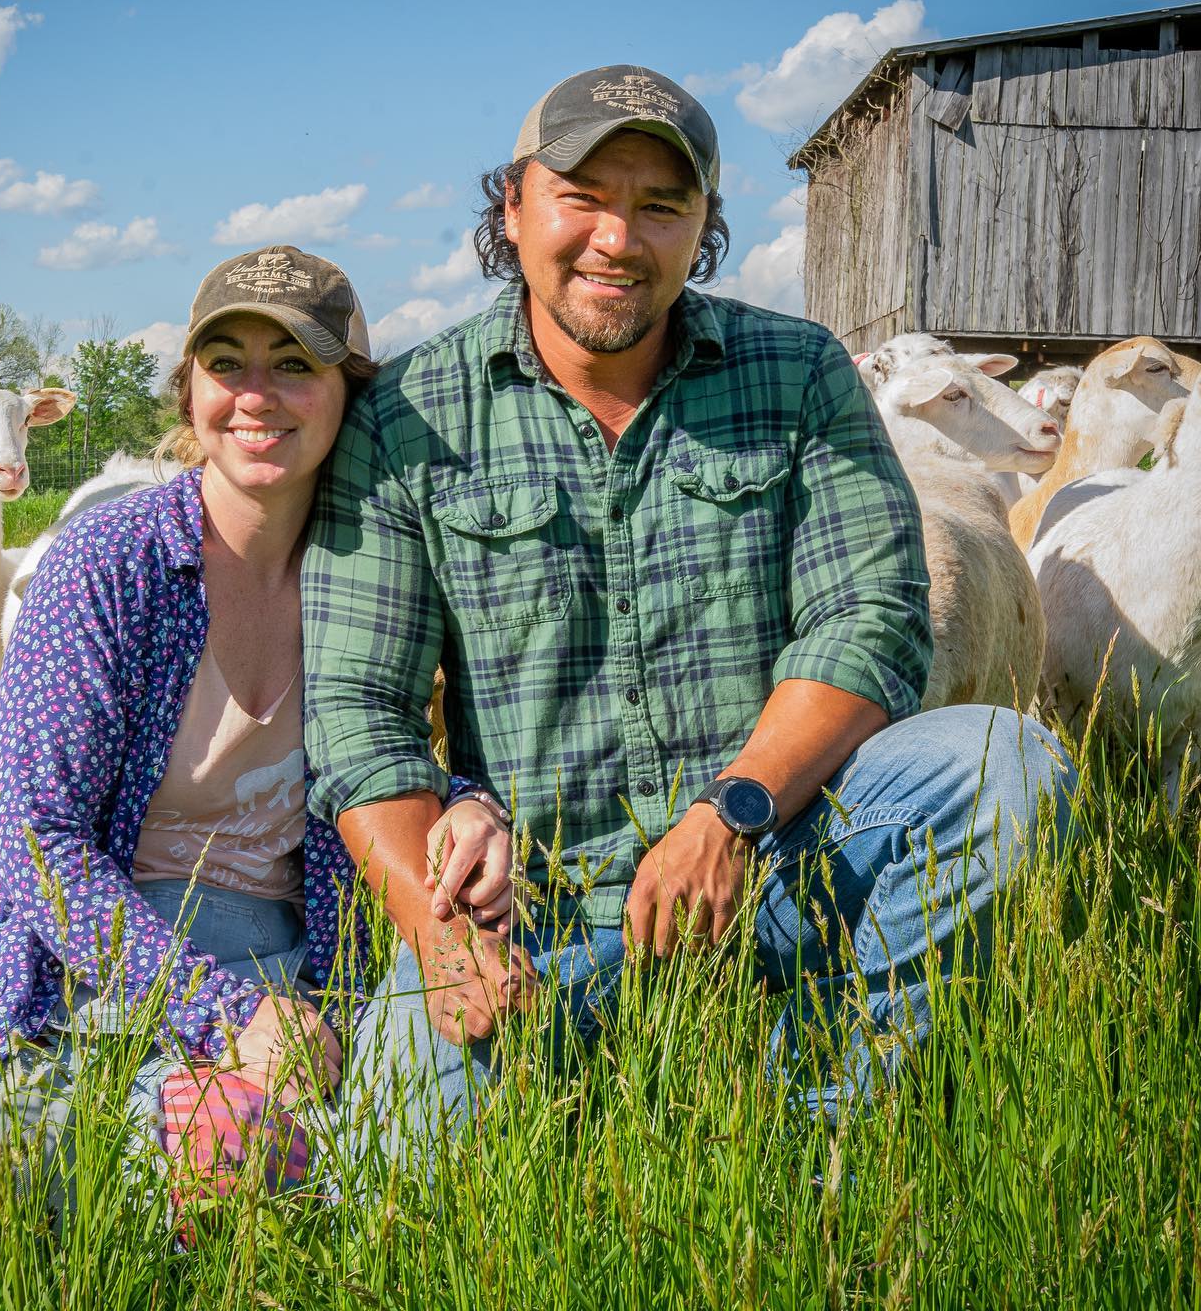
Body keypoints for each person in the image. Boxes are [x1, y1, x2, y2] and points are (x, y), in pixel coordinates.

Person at [301, 65, 1079, 1161]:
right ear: (514, 209)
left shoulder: (797, 372)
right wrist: (436, 932)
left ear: (703, 226)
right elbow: (356, 710)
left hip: (775, 852)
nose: (619, 236)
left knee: (1004, 764)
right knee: (390, 1177)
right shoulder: (409, 419)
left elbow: (872, 619)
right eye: (583, 195)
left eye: (661, 204)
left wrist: (731, 812)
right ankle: (570, 1058)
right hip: (535, 905)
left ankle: (827, 1130)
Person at [0, 246, 511, 1201]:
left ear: (348, 393)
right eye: (226, 364)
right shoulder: (109, 560)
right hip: (66, 953)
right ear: (189, 393)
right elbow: (33, 840)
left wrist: (469, 807)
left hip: (286, 953)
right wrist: (225, 1013)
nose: (257, 395)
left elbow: (395, 758)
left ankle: (219, 1137)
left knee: (408, 1098)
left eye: (295, 363)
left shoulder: (378, 569)